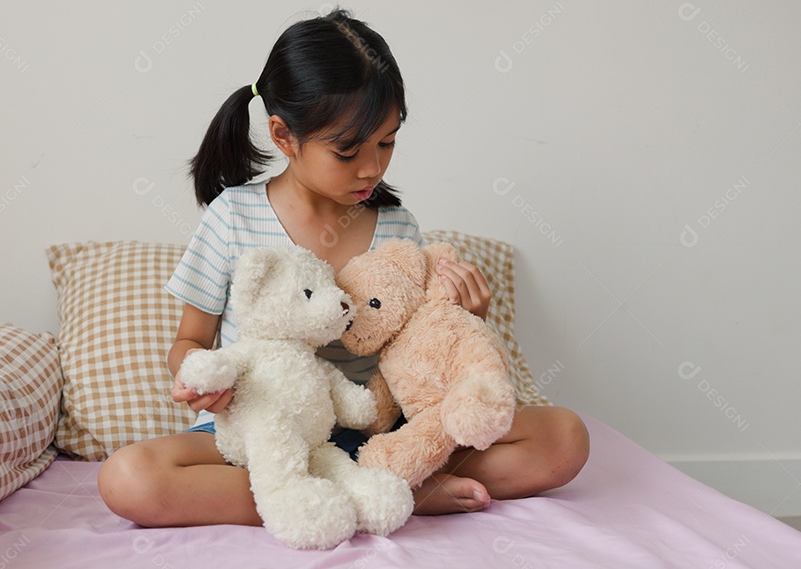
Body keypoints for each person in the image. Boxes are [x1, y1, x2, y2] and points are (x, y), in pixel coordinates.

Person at [98, 8, 589, 527]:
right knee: (129, 478)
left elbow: (417, 345)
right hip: (263, 433)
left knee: (563, 438)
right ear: (284, 136)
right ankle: (382, 495)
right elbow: (189, 342)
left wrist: (469, 318)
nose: (373, 168)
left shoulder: (397, 226)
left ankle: (362, 485)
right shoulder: (232, 217)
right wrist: (199, 380)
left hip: (376, 433)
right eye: (348, 150)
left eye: (387, 141)